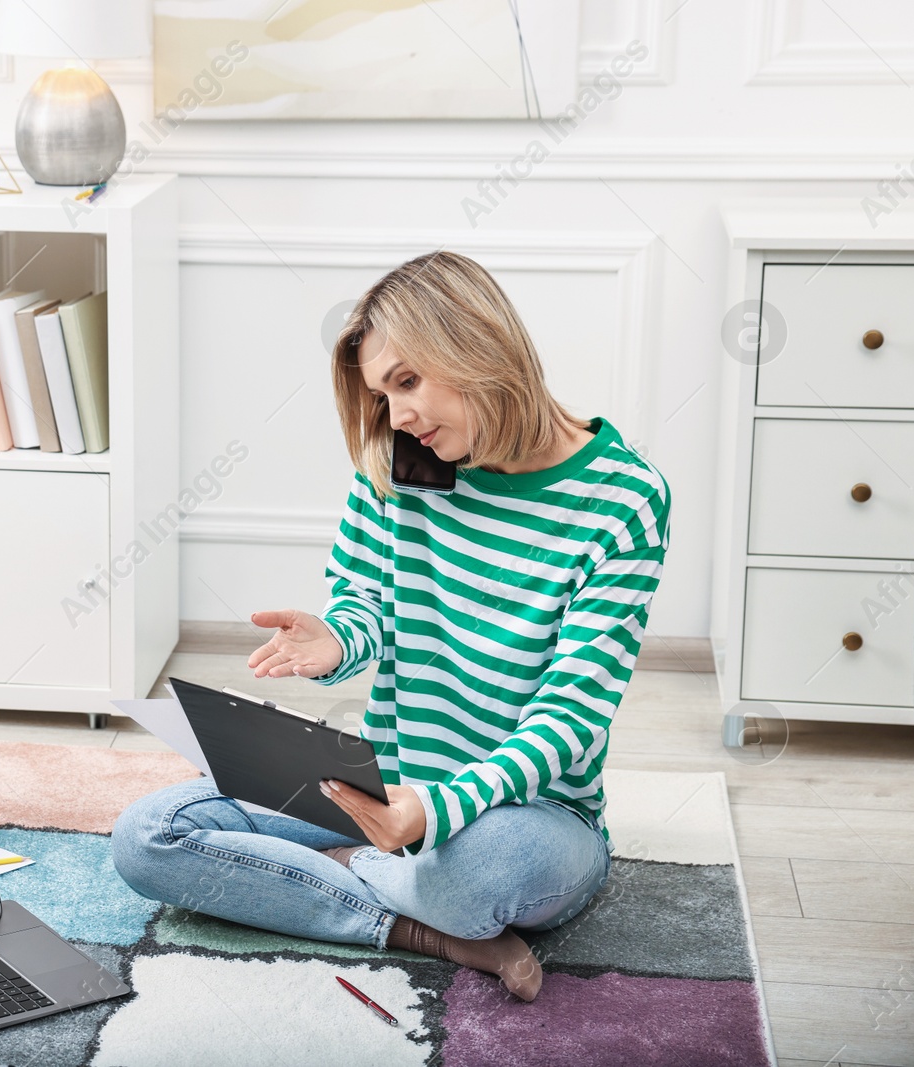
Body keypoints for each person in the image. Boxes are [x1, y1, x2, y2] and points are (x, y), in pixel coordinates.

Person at [113, 252, 671, 1002]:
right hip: (388, 789)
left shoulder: (621, 497)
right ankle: (416, 926)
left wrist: (436, 811)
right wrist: (340, 640)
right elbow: (364, 604)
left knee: (473, 875)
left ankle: (360, 879)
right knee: (149, 835)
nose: (397, 414)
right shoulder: (404, 457)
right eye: (382, 392)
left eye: (406, 381)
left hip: (532, 819)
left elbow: (571, 713)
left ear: (474, 345)